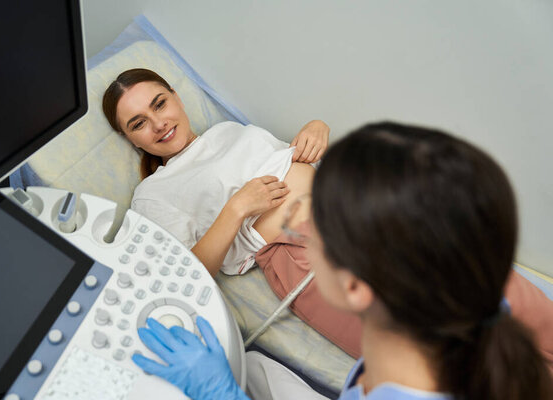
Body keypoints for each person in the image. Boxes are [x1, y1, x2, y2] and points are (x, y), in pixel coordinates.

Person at [131, 121, 553, 399]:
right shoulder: (495, 293)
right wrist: (237, 209)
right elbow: (186, 268)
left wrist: (220, 393)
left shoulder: (402, 382)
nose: (157, 123)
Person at [102, 68, 326, 277]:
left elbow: (297, 160)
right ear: (130, 138)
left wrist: (316, 128)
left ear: (176, 98)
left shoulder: (225, 130)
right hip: (305, 247)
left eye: (160, 104)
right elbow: (189, 274)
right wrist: (237, 208)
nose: (159, 124)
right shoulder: (151, 193)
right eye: (139, 124)